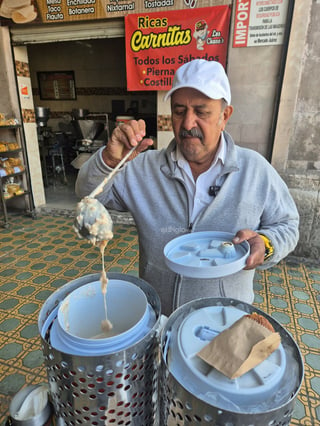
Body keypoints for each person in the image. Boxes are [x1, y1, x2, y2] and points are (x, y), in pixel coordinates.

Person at [76, 59, 299, 316]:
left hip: (224, 320)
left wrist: (267, 245)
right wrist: (109, 161)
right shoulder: (143, 168)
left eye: (201, 112)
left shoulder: (254, 170)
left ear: (224, 116)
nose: (187, 123)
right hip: (159, 316)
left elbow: (288, 225)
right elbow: (89, 195)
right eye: (179, 111)